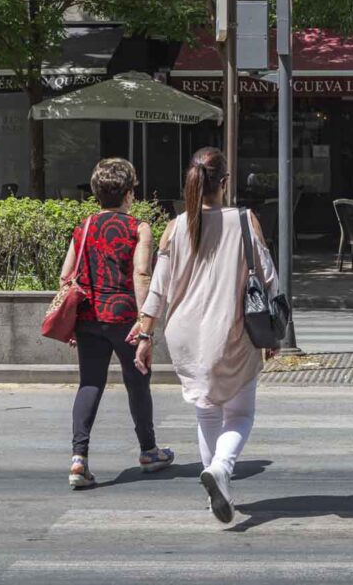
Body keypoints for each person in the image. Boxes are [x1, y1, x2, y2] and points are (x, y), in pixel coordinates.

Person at [133, 147, 279, 523]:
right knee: (241, 413)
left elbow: (158, 289)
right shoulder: (245, 220)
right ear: (225, 183)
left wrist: (146, 334)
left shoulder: (175, 226)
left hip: (185, 335)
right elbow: (268, 280)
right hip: (230, 331)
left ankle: (218, 485)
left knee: (207, 413)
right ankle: (221, 469)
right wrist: (276, 334)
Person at [60, 158, 174, 488]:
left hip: (88, 318)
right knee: (137, 382)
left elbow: (67, 276)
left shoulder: (83, 227)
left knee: (89, 383)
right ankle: (149, 451)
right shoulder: (139, 228)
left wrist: (71, 320)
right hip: (125, 318)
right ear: (128, 193)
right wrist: (145, 325)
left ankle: (78, 459)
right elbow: (141, 273)